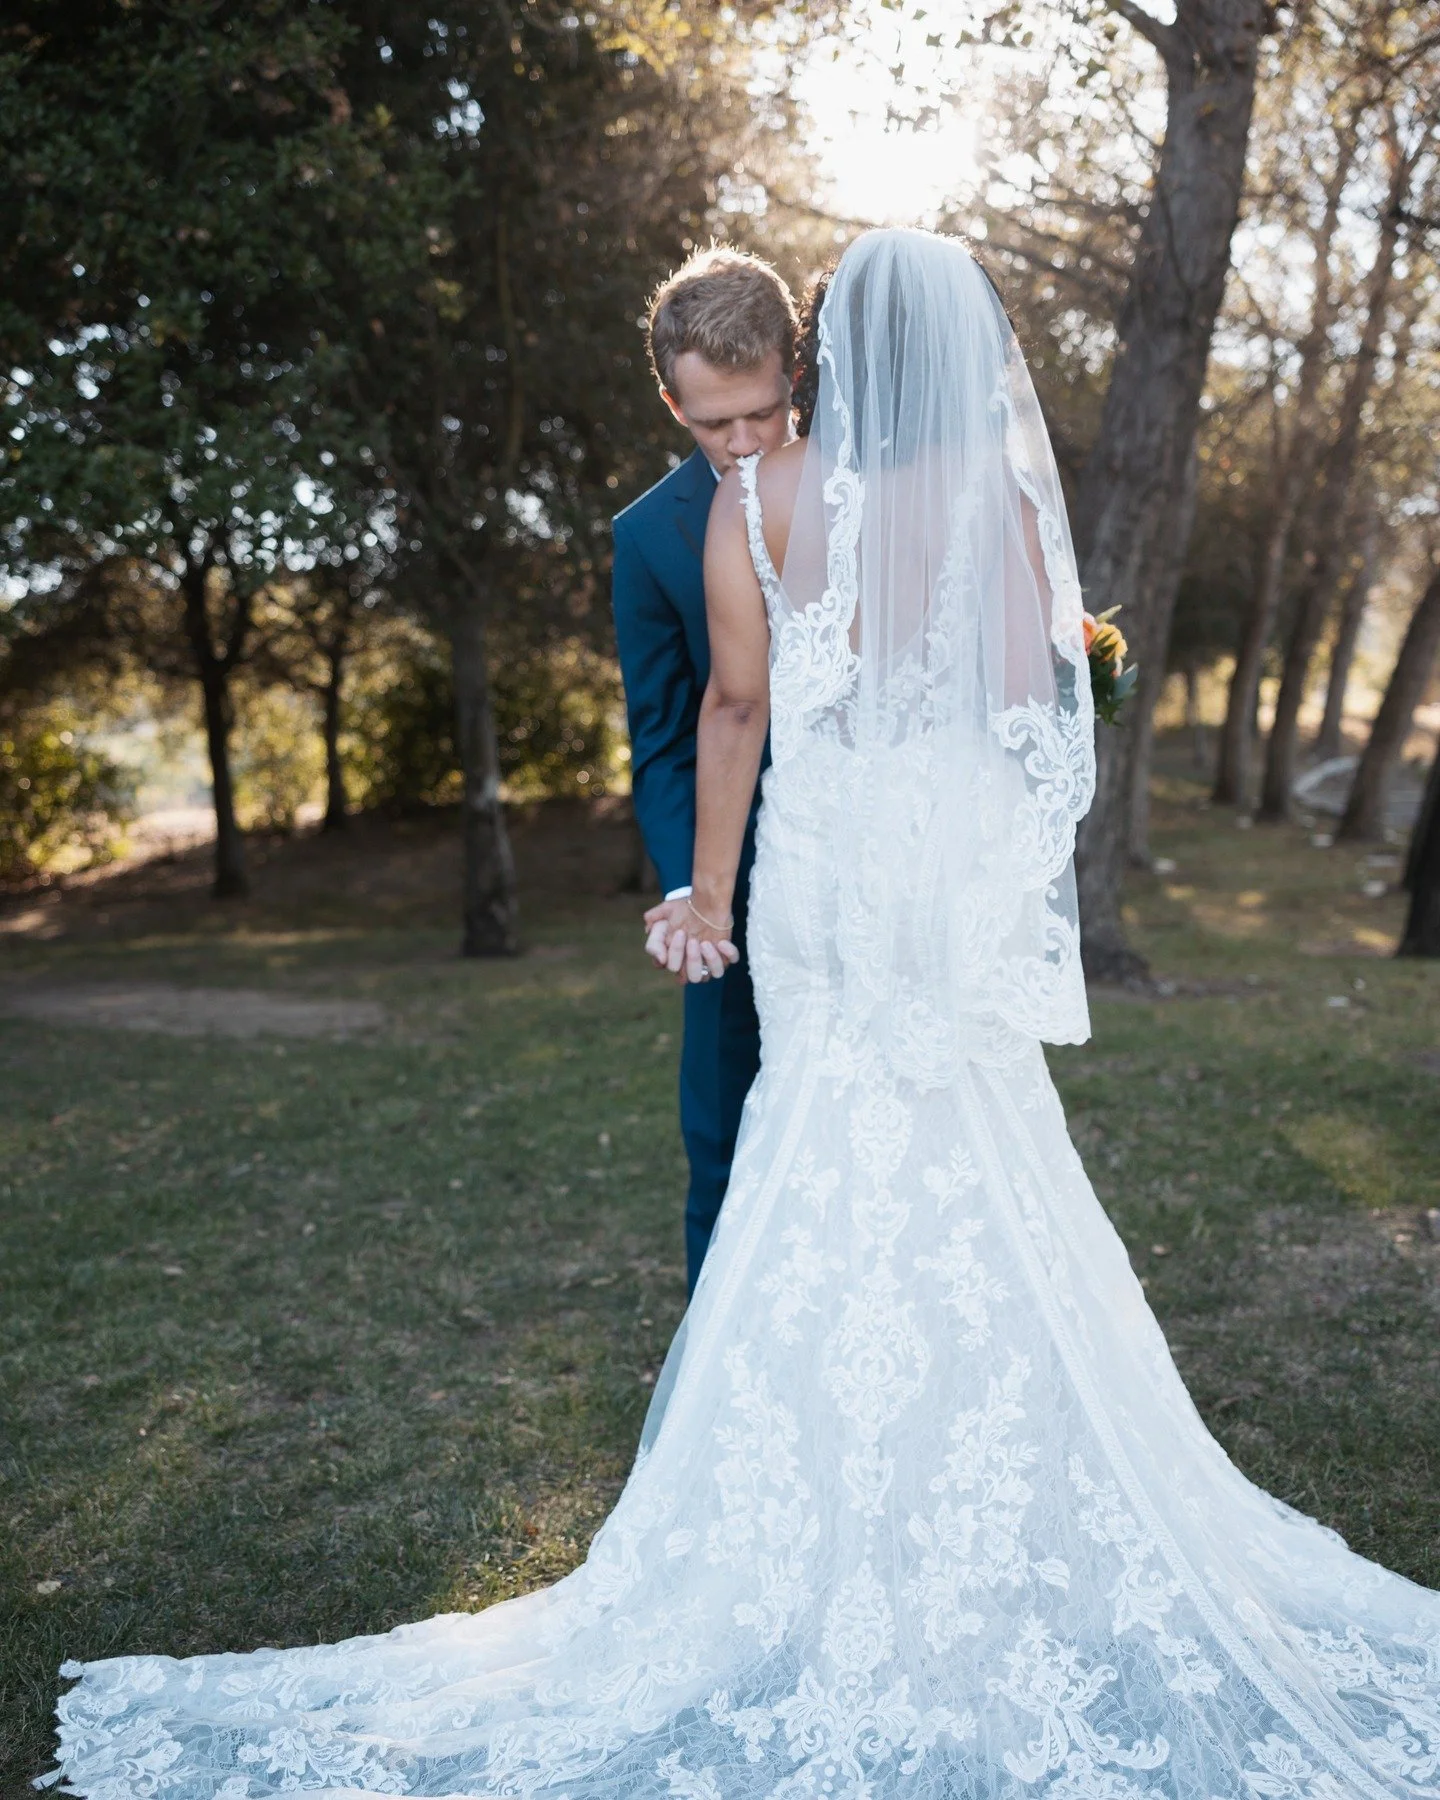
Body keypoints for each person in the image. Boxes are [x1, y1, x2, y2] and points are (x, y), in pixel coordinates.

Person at [49, 229, 1440, 1800]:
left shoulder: (753, 507)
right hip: (933, 877)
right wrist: (979, 862)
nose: (733, 437)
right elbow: (1036, 697)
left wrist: (704, 896)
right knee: (981, 1148)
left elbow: (734, 709)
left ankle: (800, 1507)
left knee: (815, 1141)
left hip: (823, 876)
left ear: (820, 362)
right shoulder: (994, 503)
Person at [610, 247, 797, 1295]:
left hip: (874, 867)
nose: (739, 445)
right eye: (710, 422)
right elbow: (666, 735)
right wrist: (693, 895)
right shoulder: (646, 538)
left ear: (795, 376)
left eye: (761, 414)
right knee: (723, 1138)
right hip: (740, 883)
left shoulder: (871, 496)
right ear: (671, 400)